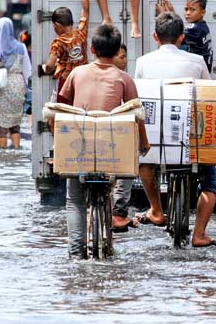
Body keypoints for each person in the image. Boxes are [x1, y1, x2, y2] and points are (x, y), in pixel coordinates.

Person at [117, 10, 216, 247]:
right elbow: (208, 96)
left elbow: (139, 101)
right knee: (212, 181)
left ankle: (156, 209)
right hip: (190, 141)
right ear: (181, 38)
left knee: (144, 164)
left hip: (154, 143)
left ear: (155, 36)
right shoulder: (197, 61)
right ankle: (200, 234)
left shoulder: (143, 62)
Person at [59, 24, 150, 259]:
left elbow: (63, 105)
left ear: (91, 49)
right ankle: (112, 219)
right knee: (115, 178)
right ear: (116, 50)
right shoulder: (123, 78)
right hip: (112, 149)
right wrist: (144, 143)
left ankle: (75, 253)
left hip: (78, 147)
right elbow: (136, 114)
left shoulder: (77, 73)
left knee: (75, 200)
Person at [38, 0, 89, 104]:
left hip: (65, 83)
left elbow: (50, 65)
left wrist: (46, 68)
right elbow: (85, 9)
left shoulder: (58, 43)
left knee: (61, 115)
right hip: (83, 81)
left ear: (57, 26)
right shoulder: (81, 32)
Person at [0, 18, 31, 149]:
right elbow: (27, 71)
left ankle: (3, 152)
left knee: (1, 123)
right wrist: (27, 90)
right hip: (17, 85)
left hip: (0, 85)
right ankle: (16, 148)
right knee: (15, 122)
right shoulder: (21, 47)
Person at [19, 31, 32, 128]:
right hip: (30, 86)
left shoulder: (20, 53)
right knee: (30, 111)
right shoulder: (36, 55)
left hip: (19, 85)